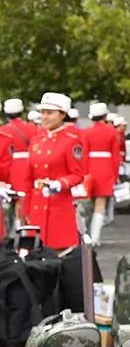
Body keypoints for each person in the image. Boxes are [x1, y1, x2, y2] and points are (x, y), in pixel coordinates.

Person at [26, 92, 85, 249]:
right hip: (37, 204)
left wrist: (60, 184)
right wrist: (26, 207)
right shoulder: (36, 140)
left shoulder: (71, 140)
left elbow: (78, 175)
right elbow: (28, 176)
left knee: (59, 254)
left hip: (59, 205)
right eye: (42, 112)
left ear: (62, 115)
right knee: (35, 254)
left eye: (50, 113)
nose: (44, 117)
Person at [81, 102, 121, 246]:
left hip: (90, 168)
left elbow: (84, 154)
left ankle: (85, 237)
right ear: (105, 116)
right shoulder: (112, 132)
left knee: (85, 206)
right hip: (106, 168)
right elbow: (116, 157)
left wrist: (84, 173)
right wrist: (116, 175)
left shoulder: (86, 132)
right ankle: (95, 238)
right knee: (100, 204)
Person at [1, 97, 39, 225]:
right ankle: (20, 234)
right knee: (22, 201)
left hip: (9, 166)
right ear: (21, 111)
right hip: (27, 165)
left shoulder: (3, 130)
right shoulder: (32, 128)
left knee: (9, 199)